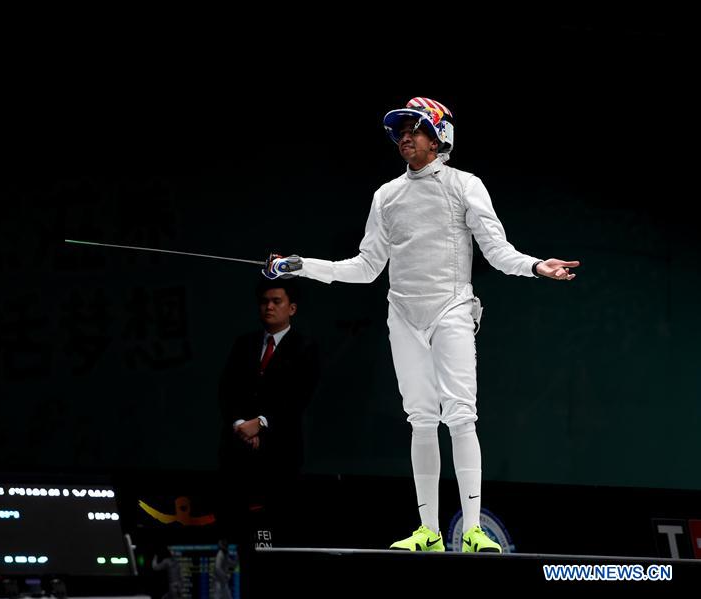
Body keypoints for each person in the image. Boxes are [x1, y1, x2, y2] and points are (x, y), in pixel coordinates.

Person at [265, 97, 579, 552]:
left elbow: (497, 250)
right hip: (404, 316)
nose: (405, 136)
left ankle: (472, 529)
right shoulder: (386, 196)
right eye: (401, 131)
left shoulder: (464, 186)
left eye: (415, 128)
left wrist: (535, 266)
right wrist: (300, 266)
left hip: (451, 309)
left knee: (461, 415)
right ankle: (428, 531)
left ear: (439, 137)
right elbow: (366, 266)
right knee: (421, 419)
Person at [217, 277, 319, 544]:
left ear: (292, 308)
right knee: (236, 531)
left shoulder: (305, 347)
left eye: (276, 301)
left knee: (277, 531)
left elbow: (298, 397)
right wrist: (241, 424)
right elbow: (227, 390)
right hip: (239, 451)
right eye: (264, 302)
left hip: (281, 455)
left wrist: (261, 423)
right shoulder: (244, 344)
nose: (269, 307)